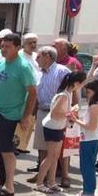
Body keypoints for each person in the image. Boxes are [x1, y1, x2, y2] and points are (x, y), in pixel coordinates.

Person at [0, 32, 36, 196]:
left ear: (17, 48)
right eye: (2, 46)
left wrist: (25, 117)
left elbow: (32, 93)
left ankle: (9, 185)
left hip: (12, 115)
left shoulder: (23, 67)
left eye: (8, 46)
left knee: (6, 150)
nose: (4, 49)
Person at [32, 71, 79, 193]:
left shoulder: (68, 92)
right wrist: (70, 113)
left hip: (58, 126)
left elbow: (84, 81)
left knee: (55, 156)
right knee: (50, 156)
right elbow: (55, 113)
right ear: (75, 83)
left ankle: (51, 182)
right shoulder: (64, 95)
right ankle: (40, 183)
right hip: (52, 126)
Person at [29, 46, 71, 182]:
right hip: (43, 111)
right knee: (42, 146)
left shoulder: (62, 71)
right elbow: (36, 94)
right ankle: (43, 173)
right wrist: (32, 113)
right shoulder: (39, 73)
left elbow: (72, 91)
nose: (36, 58)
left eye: (39, 56)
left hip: (59, 114)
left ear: (47, 56)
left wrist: (71, 113)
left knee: (60, 146)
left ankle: (65, 175)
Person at [71, 80, 98, 196]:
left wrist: (75, 119)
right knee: (86, 167)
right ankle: (86, 190)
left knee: (87, 167)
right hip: (90, 137)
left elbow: (90, 126)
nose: (87, 94)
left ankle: (89, 192)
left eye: (89, 92)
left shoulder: (94, 106)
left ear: (95, 91)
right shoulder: (96, 104)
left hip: (91, 138)